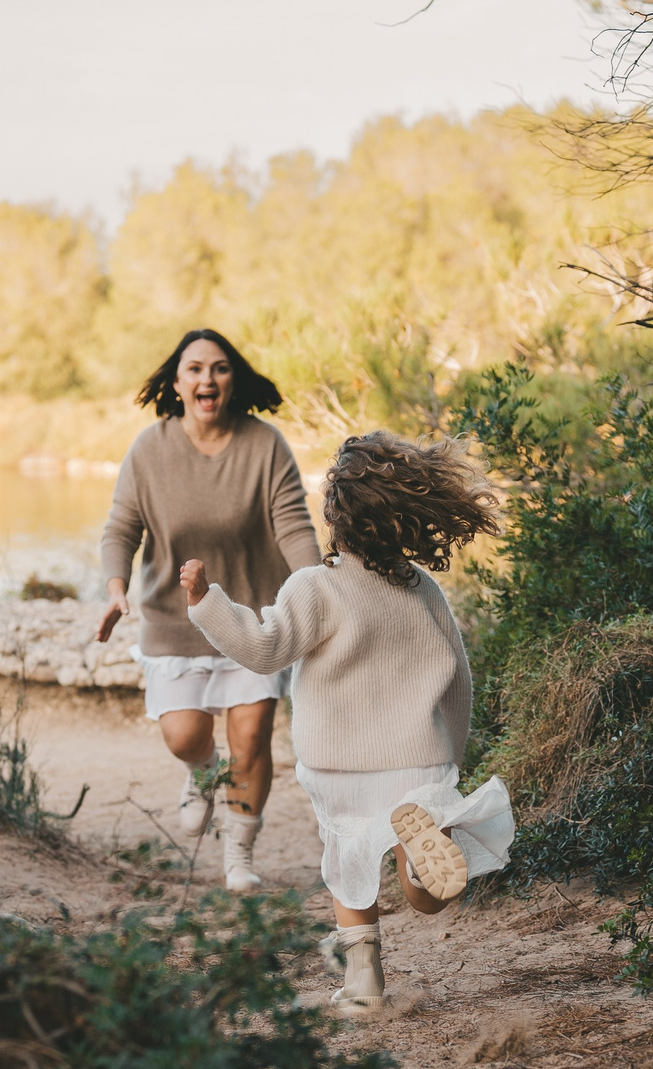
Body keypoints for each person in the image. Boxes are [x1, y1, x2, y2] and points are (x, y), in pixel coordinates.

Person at [179, 430, 514, 1014]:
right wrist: (449, 759)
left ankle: (363, 989)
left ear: (335, 518)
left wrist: (208, 601)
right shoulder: (423, 590)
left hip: (340, 764)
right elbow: (458, 679)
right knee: (425, 889)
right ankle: (420, 861)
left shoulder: (316, 586)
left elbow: (263, 650)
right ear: (409, 518)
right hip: (416, 758)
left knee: (348, 864)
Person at [95, 328, 319, 891]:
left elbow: (293, 524)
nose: (207, 379)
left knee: (251, 740)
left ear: (232, 379)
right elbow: (121, 527)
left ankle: (238, 857)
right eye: (195, 369)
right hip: (174, 624)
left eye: (219, 368)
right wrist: (117, 588)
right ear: (177, 382)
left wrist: (318, 586)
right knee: (183, 735)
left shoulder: (265, 446)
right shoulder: (150, 449)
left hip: (250, 620)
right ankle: (200, 771)